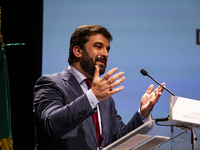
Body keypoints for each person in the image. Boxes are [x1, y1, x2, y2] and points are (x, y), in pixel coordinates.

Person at [33, 25, 165, 150]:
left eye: (107, 49)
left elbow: (119, 140)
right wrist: (92, 96)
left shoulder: (106, 99)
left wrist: (143, 113)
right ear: (78, 51)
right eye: (98, 46)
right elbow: (51, 125)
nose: (105, 54)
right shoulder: (51, 83)